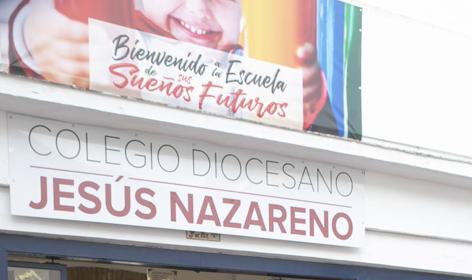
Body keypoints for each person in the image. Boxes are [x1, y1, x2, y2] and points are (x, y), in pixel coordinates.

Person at [10, 0, 329, 128]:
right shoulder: (110, 24)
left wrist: (310, 92)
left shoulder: (247, 56)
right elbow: (49, 25)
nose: (198, 9)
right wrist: (29, 30)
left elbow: (290, 91)